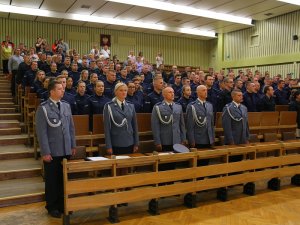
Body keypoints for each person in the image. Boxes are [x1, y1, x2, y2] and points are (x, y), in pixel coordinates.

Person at [35, 80, 76, 218]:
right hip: (52, 151)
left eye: (63, 88)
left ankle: (62, 205)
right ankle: (52, 206)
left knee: (63, 180)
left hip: (65, 149)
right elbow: (42, 132)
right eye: (59, 88)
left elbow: (71, 128)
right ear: (52, 91)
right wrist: (45, 152)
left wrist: (72, 145)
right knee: (52, 181)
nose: (63, 90)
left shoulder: (66, 106)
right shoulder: (43, 108)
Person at [103, 82, 139, 155]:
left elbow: (134, 125)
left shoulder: (131, 106)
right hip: (116, 142)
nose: (124, 92)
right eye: (121, 90)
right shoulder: (109, 106)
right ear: (115, 92)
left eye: (125, 90)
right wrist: (108, 146)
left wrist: (136, 143)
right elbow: (107, 128)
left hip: (129, 141)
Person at [151, 87, 186, 153]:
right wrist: (157, 142)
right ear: (163, 95)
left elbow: (182, 124)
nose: (172, 94)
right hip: (165, 140)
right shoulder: (158, 107)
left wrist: (183, 139)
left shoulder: (178, 106)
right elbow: (155, 126)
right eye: (170, 92)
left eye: (173, 92)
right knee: (166, 161)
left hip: (177, 140)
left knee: (178, 161)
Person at [186, 85, 215, 165]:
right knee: (198, 163)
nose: (206, 92)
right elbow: (190, 125)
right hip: (198, 139)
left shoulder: (209, 105)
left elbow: (211, 124)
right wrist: (191, 140)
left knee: (206, 162)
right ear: (198, 92)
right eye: (203, 90)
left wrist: (212, 138)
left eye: (206, 90)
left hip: (208, 138)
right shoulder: (192, 106)